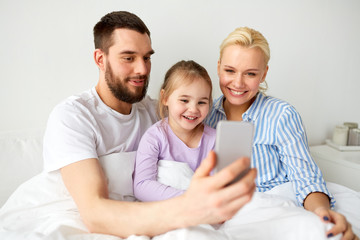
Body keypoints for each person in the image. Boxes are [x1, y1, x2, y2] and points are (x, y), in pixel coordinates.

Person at [33, 12, 257, 238]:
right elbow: (95, 214)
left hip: (159, 216)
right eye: (128, 58)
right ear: (101, 59)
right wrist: (191, 205)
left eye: (147, 57)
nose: (142, 69)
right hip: (92, 220)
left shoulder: (157, 112)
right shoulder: (74, 116)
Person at [205, 26, 358, 239]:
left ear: (264, 73)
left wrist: (322, 213)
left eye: (250, 73)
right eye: (230, 71)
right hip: (224, 211)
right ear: (219, 67)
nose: (238, 83)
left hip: (272, 205)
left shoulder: (281, 114)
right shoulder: (204, 113)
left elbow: (306, 177)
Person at [133, 60, 215, 201]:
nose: (193, 109)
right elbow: (142, 186)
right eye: (184, 100)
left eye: (202, 102)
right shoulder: (154, 137)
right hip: (174, 208)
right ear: (165, 98)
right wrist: (189, 199)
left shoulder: (214, 139)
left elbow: (220, 185)